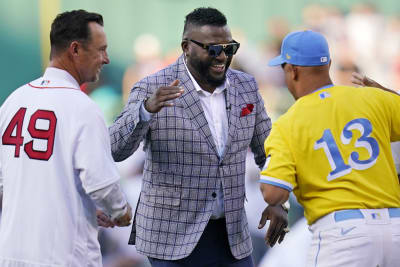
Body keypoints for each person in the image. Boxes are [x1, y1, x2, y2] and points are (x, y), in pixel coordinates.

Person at [109, 7, 287, 267]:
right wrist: (145, 111)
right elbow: (115, 148)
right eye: (214, 49)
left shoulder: (246, 86)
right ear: (186, 47)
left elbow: (269, 151)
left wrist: (279, 200)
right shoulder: (152, 87)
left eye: (230, 48)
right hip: (170, 237)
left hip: (231, 234)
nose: (223, 57)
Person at [0, 10, 132, 266]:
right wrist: (121, 212)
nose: (106, 58)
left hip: (12, 253)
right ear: (75, 49)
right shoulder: (83, 107)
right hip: (64, 255)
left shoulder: (13, 100)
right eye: (101, 49)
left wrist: (76, 206)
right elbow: (101, 184)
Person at [259, 30, 400, 267]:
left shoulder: (288, 123)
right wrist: (389, 95)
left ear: (292, 70)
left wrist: (279, 203)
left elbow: (273, 192)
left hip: (343, 235)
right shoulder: (374, 99)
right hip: (396, 228)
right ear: (329, 64)